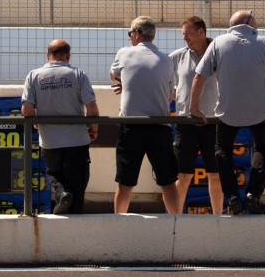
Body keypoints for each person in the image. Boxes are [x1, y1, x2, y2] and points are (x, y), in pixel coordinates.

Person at [190, 10, 265, 215]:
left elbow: (199, 77)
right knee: (262, 148)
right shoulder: (264, 43)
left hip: (227, 112)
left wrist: (194, 108)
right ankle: (253, 194)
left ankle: (233, 197)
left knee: (223, 150)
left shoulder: (218, 43)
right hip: (261, 112)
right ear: (248, 22)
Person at [109, 16, 180, 214]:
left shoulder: (124, 53)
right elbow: (169, 96)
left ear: (137, 34)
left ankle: (119, 223)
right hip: (160, 126)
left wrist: (128, 82)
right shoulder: (166, 60)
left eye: (130, 34)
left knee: (125, 182)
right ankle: (177, 222)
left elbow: (112, 73)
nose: (129, 38)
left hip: (132, 126)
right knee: (168, 181)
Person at [22, 39, 99, 215]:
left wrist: (35, 119)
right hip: (77, 138)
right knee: (78, 180)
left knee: (55, 173)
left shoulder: (34, 75)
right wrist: (93, 129)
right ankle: (74, 217)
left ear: (48, 55)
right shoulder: (78, 74)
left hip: (50, 139)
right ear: (68, 55)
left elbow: (26, 109)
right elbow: (92, 109)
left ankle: (61, 194)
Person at [169, 16, 223, 214]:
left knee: (215, 175)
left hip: (214, 122)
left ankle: (218, 219)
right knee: (183, 176)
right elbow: (160, 76)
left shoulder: (220, 55)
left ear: (202, 32)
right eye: (183, 34)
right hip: (186, 122)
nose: (185, 38)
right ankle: (174, 220)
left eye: (188, 34)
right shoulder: (177, 56)